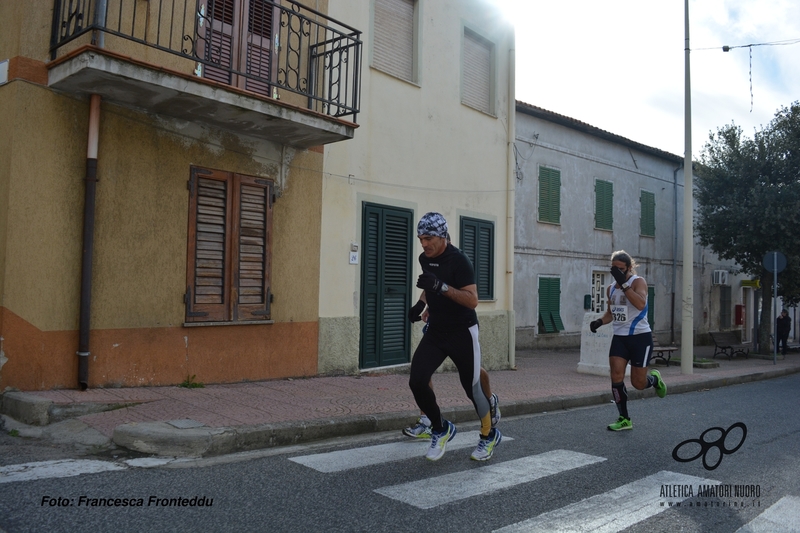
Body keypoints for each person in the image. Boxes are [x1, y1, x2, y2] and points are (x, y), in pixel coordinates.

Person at [407, 212, 501, 461]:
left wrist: (440, 287)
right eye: (420, 238)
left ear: (441, 236)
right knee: (417, 380)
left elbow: (472, 300)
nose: (424, 244)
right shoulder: (424, 258)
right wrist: (421, 304)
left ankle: (489, 435)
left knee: (472, 389)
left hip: (462, 331)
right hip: (437, 330)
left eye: (428, 238)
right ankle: (440, 428)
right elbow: (431, 284)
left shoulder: (460, 261)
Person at [589, 250, 667, 431]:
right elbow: (611, 313)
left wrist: (624, 284)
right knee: (616, 376)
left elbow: (640, 304)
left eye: (621, 269)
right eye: (613, 269)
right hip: (620, 338)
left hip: (640, 337)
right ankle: (624, 418)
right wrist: (599, 322)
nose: (617, 272)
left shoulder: (637, 282)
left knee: (638, 384)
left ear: (629, 268)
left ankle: (654, 380)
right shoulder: (610, 289)